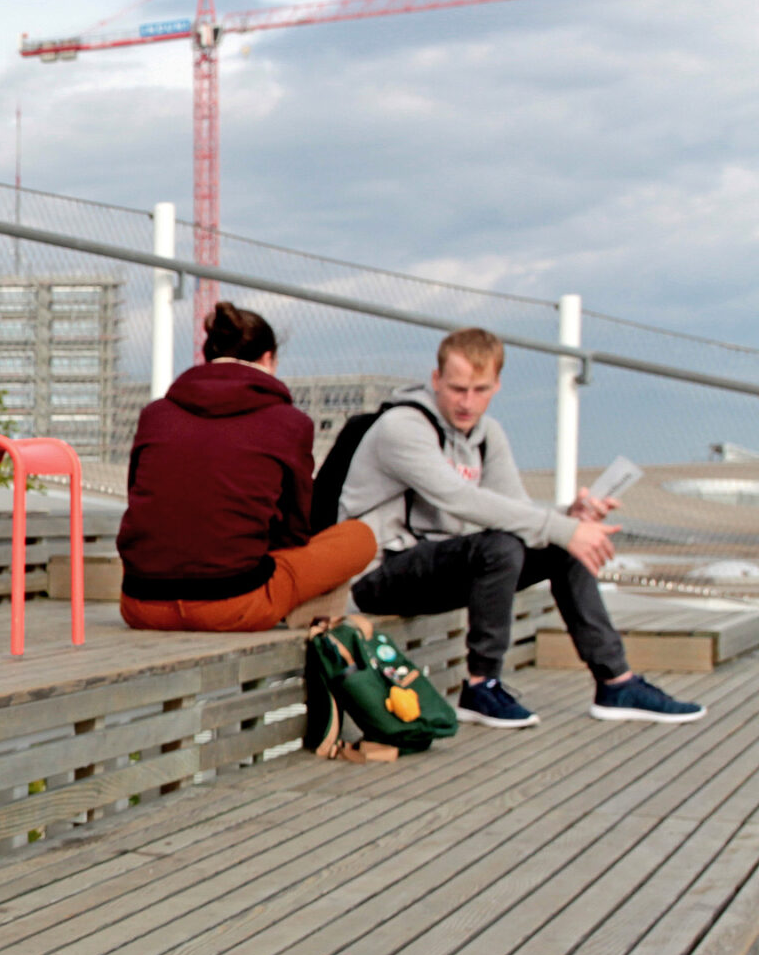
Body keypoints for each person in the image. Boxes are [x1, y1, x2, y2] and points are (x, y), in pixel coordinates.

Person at [342, 326, 702, 726]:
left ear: (496, 385)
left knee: (558, 546)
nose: (467, 402)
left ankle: (616, 682)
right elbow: (460, 499)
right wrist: (562, 527)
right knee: (502, 545)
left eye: (479, 390)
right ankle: (481, 686)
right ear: (435, 379)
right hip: (375, 573)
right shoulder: (402, 426)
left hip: (443, 566)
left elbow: (515, 510)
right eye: (457, 388)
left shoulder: (486, 434)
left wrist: (570, 517)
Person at [117, 303, 377, 631]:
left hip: (142, 604)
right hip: (235, 604)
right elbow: (294, 529)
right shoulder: (289, 423)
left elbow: (141, 504)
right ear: (268, 359)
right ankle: (300, 612)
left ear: (207, 354)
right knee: (359, 536)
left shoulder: (155, 415)